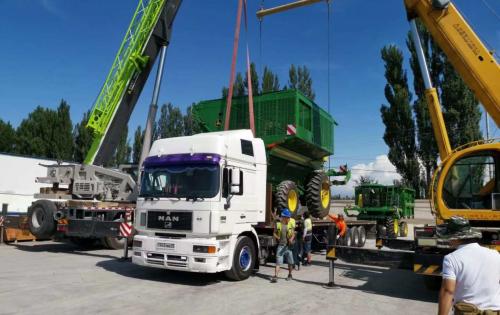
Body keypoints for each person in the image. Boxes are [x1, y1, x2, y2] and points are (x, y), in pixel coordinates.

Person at [437, 216, 500, 315]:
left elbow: (448, 291)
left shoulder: (451, 259)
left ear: (456, 238)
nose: (448, 240)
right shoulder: (495, 254)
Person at [271, 208, 295, 283]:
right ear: (283, 217)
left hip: (288, 247)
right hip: (281, 246)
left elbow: (293, 233)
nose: (289, 218)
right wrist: (277, 237)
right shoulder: (278, 225)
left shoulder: (290, 224)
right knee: (278, 262)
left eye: (289, 217)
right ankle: (276, 276)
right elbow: (274, 233)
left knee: (290, 262)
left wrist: (291, 239)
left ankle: (290, 275)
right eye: (287, 217)